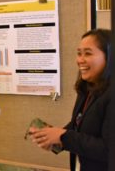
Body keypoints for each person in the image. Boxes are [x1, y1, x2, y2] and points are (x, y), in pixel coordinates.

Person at [29, 29, 111, 171]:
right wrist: (55, 138)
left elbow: (107, 149)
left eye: (88, 53)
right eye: (79, 53)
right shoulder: (87, 89)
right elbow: (78, 126)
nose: (80, 60)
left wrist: (63, 136)